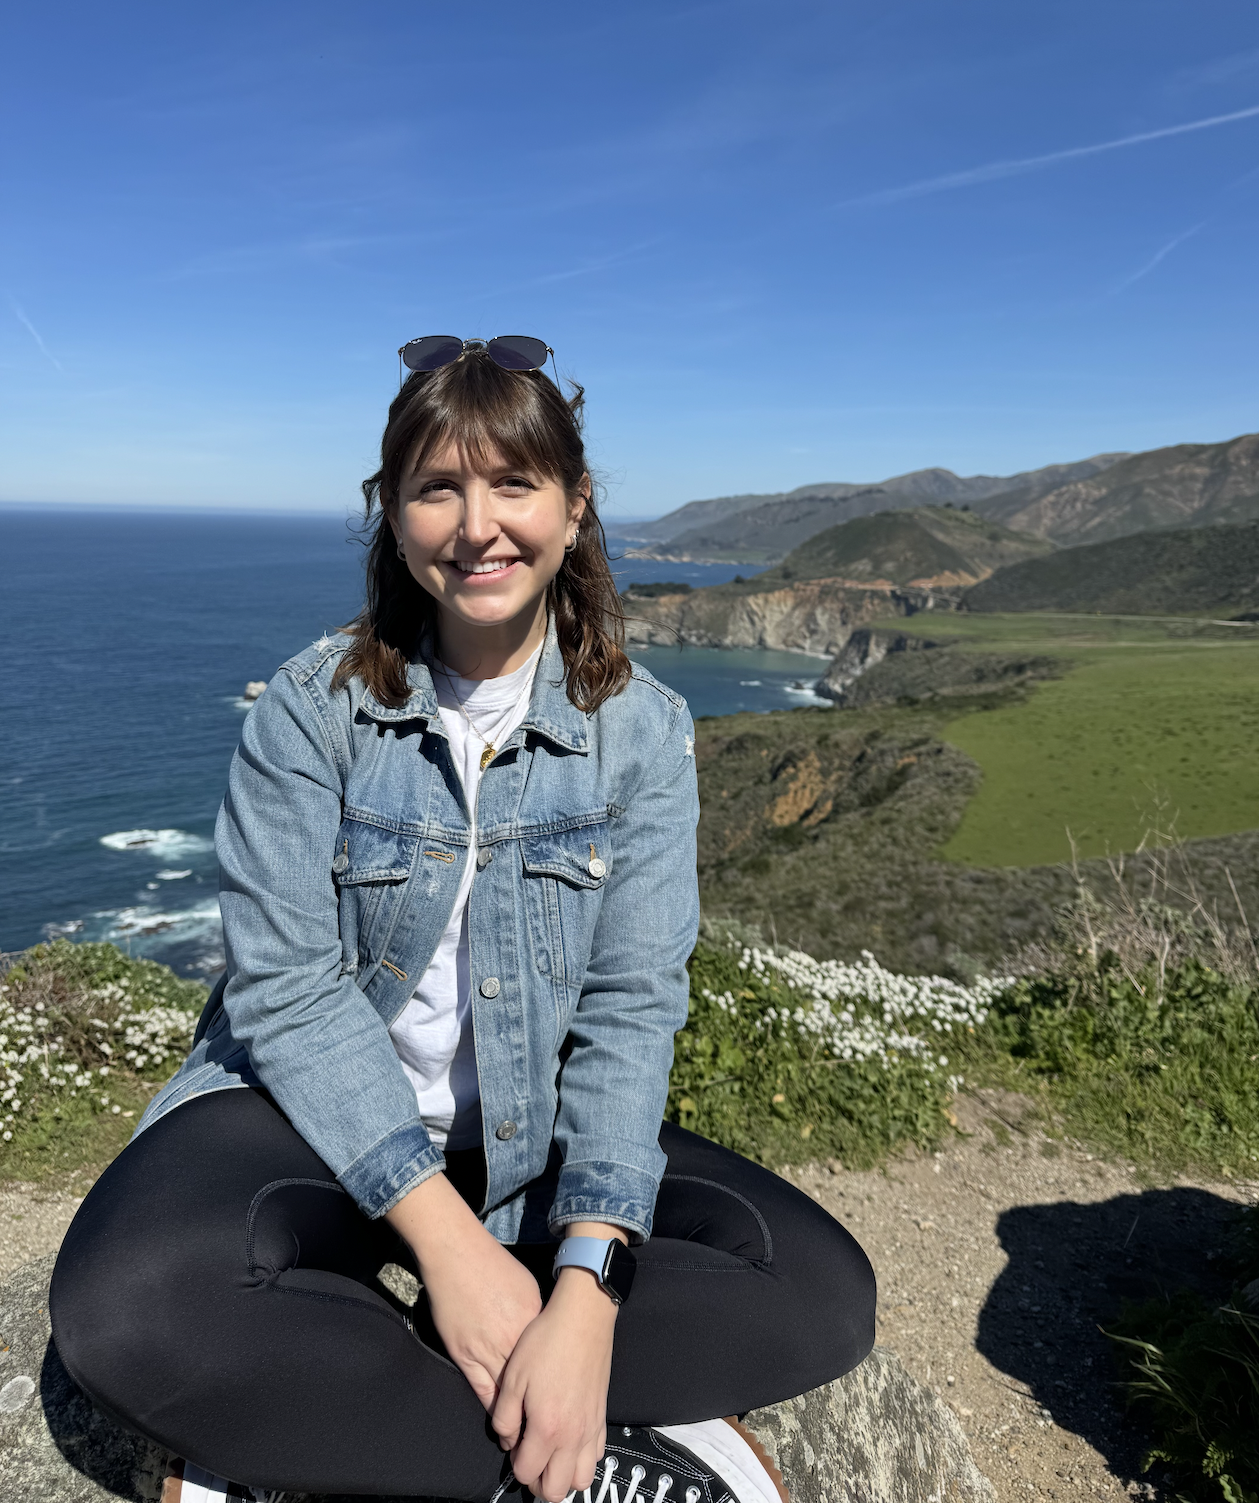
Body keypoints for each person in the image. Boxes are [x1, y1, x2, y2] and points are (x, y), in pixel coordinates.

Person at [49, 339, 876, 1503]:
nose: (475, 524)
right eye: (437, 487)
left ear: (574, 503)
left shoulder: (641, 730)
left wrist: (583, 1294)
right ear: (391, 511)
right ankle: (548, 1459)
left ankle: (346, 1409)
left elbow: (631, 1010)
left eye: (514, 484)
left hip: (525, 1146)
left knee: (823, 1293)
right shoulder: (313, 706)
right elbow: (282, 987)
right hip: (306, 1130)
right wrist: (454, 1255)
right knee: (123, 1309)